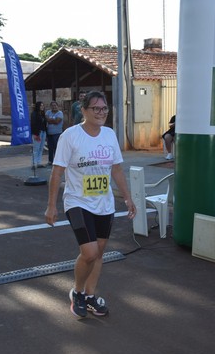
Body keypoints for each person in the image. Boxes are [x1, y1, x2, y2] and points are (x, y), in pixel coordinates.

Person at [44, 91, 136, 318]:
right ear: (83, 110)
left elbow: (116, 169)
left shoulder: (109, 135)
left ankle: (90, 295)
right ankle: (77, 292)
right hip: (77, 201)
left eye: (104, 108)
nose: (101, 112)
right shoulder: (70, 136)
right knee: (89, 252)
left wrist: (128, 197)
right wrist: (51, 205)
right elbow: (57, 172)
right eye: (95, 108)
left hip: (104, 203)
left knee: (99, 252)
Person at [45, 101, 64, 165]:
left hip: (57, 133)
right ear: (51, 106)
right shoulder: (48, 112)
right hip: (49, 133)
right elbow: (46, 120)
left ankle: (57, 161)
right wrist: (53, 120)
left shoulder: (60, 113)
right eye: (52, 105)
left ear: (57, 106)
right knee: (50, 148)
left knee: (57, 148)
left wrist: (50, 120)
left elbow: (57, 122)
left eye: (55, 105)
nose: (54, 107)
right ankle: (50, 161)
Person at [30, 101, 47, 168]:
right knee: (36, 148)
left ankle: (39, 162)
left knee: (41, 148)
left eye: (43, 105)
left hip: (43, 132)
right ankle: (34, 163)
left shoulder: (42, 114)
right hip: (37, 133)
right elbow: (33, 124)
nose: (42, 107)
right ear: (38, 106)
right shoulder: (34, 114)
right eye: (41, 105)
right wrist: (35, 134)